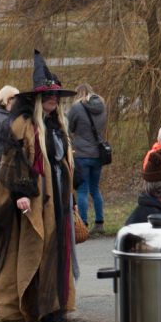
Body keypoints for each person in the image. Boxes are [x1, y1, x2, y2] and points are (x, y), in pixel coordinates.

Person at [0, 51, 78, 322]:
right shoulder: (23, 125)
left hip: (58, 198)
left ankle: (54, 305)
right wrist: (21, 194)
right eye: (48, 95)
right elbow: (12, 161)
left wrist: (72, 197)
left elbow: (63, 162)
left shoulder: (57, 125)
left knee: (57, 249)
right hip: (35, 200)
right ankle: (29, 306)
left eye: (56, 96)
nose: (53, 99)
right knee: (35, 249)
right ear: (38, 99)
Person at [68, 83, 108, 234]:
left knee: (82, 190)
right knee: (95, 188)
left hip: (81, 153)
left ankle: (83, 224)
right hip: (98, 153)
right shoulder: (102, 106)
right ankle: (99, 223)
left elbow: (70, 127)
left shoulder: (76, 107)